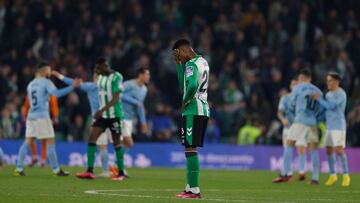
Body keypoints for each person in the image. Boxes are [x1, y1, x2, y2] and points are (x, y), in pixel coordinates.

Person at [14, 62, 81, 176]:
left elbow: (29, 102)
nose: (50, 72)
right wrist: (72, 87)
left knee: (27, 142)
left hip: (31, 117)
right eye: (49, 70)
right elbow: (57, 94)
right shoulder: (46, 82)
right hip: (42, 117)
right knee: (50, 142)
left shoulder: (30, 85)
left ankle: (18, 168)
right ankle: (56, 170)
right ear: (44, 71)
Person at [52, 71, 113, 177]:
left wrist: (60, 76)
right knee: (106, 146)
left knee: (100, 146)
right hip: (110, 117)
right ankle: (109, 170)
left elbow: (73, 82)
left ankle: (102, 170)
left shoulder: (91, 86)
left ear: (95, 77)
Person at [75, 57, 126, 181]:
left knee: (116, 143)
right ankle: (89, 171)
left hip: (114, 115)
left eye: (98, 68)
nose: (97, 71)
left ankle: (121, 173)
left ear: (104, 66)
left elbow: (115, 98)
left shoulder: (117, 77)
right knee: (92, 139)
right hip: (102, 116)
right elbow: (98, 94)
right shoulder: (101, 79)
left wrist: (101, 110)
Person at [173, 39, 210, 199]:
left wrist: (185, 101)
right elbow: (185, 83)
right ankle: (190, 187)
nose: (178, 58)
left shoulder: (190, 64)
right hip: (203, 108)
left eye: (178, 55)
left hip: (193, 109)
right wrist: (178, 64)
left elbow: (192, 86)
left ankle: (194, 189)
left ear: (183, 50)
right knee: (190, 147)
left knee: (190, 149)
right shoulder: (202, 61)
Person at [109, 67, 150, 176]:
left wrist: (143, 122)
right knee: (128, 143)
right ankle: (116, 166)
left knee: (124, 144)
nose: (148, 77)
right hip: (119, 115)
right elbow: (118, 94)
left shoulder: (144, 90)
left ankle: (116, 167)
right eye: (146, 74)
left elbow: (140, 106)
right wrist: (134, 101)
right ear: (140, 75)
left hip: (130, 119)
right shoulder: (128, 84)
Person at [312, 72, 350, 187]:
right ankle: (333, 175)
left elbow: (331, 106)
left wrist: (319, 99)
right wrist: (316, 118)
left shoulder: (341, 94)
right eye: (327, 80)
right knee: (328, 150)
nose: (328, 83)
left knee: (339, 151)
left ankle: (346, 175)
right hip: (329, 126)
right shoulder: (328, 94)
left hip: (339, 126)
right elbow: (326, 110)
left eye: (330, 81)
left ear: (337, 81)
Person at [273, 79, 308, 182]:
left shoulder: (302, 99)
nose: (294, 86)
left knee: (301, 149)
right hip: (288, 128)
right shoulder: (285, 98)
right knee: (287, 151)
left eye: (297, 84)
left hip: (300, 127)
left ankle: (302, 172)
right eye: (293, 84)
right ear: (290, 86)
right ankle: (288, 174)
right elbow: (279, 112)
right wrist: (282, 119)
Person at [22, 95, 59, 167]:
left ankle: (35, 156)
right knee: (44, 139)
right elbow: (53, 104)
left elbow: (27, 103)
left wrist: (24, 114)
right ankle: (43, 160)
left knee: (31, 137)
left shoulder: (32, 88)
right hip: (44, 117)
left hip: (33, 117)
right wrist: (55, 116)